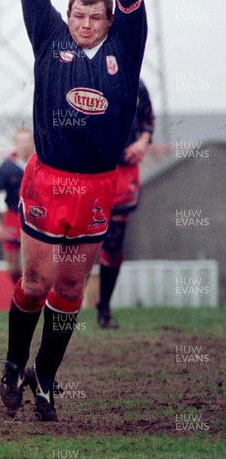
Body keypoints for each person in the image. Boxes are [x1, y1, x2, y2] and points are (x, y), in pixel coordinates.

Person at [0, 0, 147, 422]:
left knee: (68, 288)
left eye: (95, 17)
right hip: (48, 180)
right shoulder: (49, 40)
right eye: (78, 15)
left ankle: (46, 376)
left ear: (110, 21)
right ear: (67, 17)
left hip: (97, 185)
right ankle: (14, 364)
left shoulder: (126, 49)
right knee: (35, 284)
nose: (85, 23)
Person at [97, 78, 154, 329]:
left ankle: (104, 308)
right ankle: (66, 311)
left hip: (124, 172)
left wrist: (142, 142)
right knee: (80, 241)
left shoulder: (137, 83)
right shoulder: (86, 75)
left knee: (114, 242)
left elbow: (148, 122)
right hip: (91, 171)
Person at [0, 127, 34, 284]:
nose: (24, 145)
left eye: (27, 141)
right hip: (13, 216)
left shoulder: (39, 164)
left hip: (37, 217)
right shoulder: (6, 168)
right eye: (21, 141)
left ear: (32, 143)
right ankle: (20, 292)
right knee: (12, 266)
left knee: (34, 264)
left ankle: (34, 295)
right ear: (15, 144)